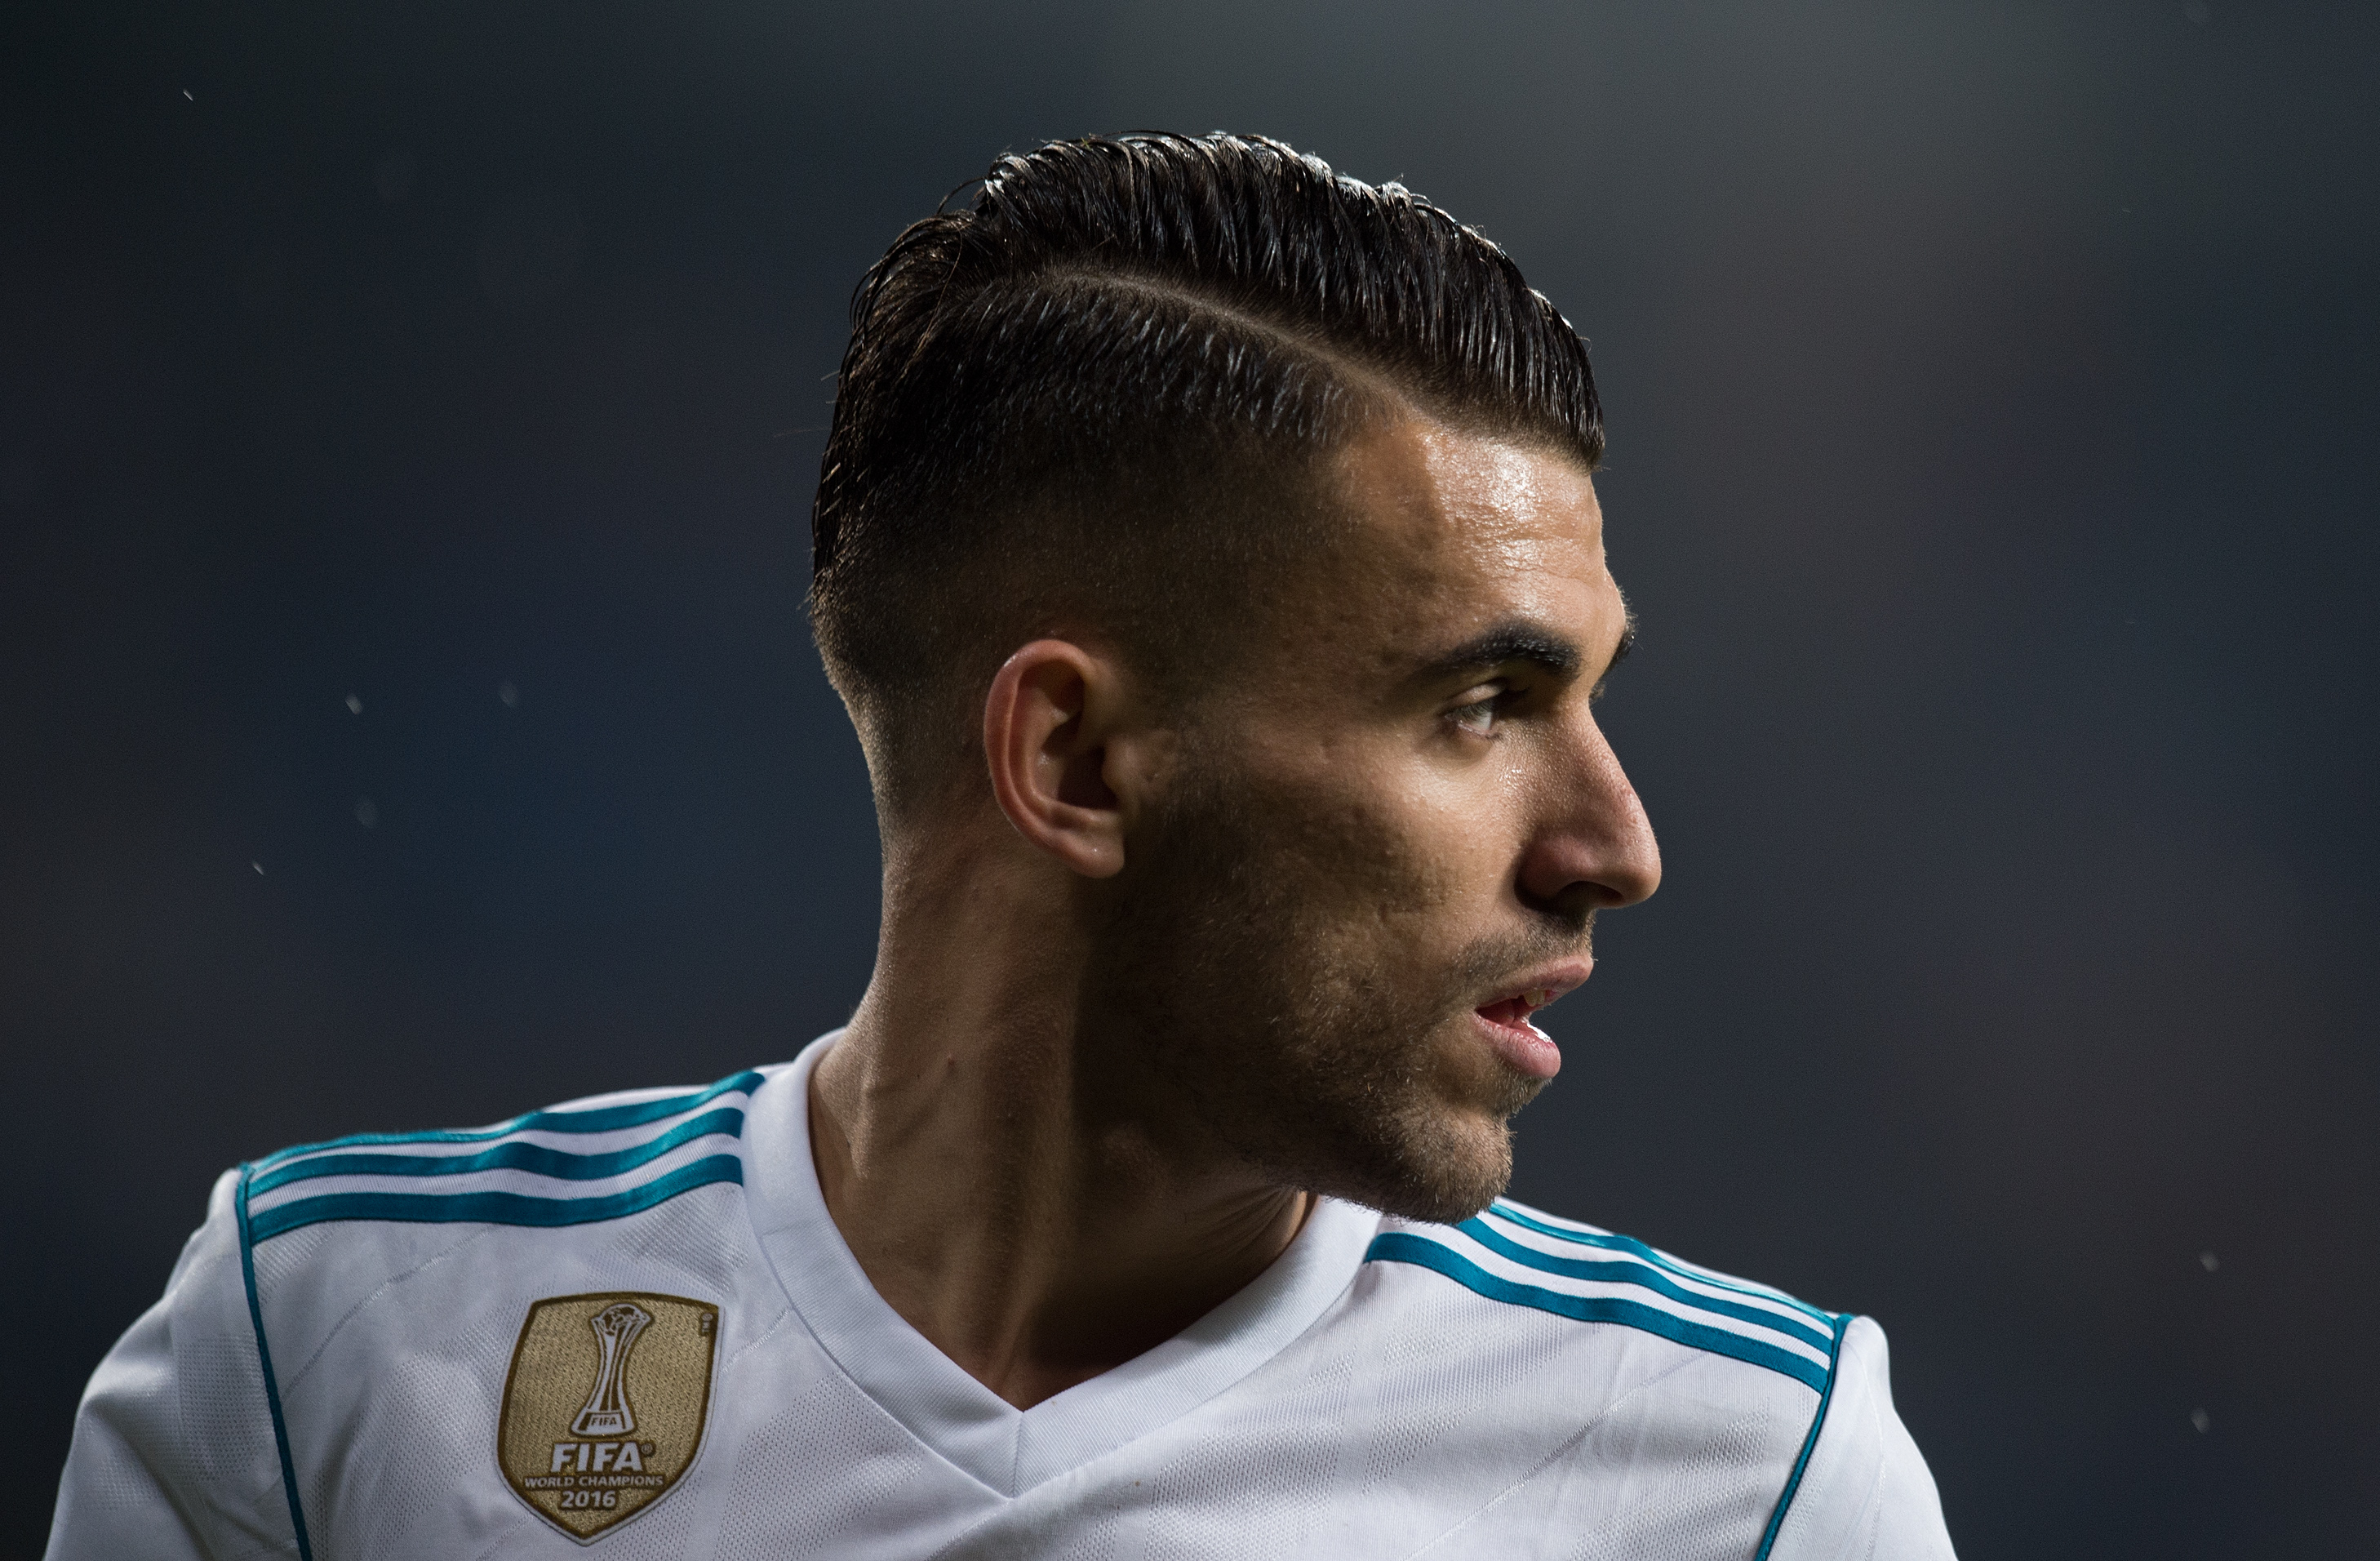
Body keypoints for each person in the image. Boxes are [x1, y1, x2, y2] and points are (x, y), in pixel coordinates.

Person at [46, 132, 1955, 1559]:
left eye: (1592, 698)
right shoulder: (329, 1353)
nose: (1612, 842)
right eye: (1480, 703)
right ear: (1075, 757)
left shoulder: (1747, 1477)